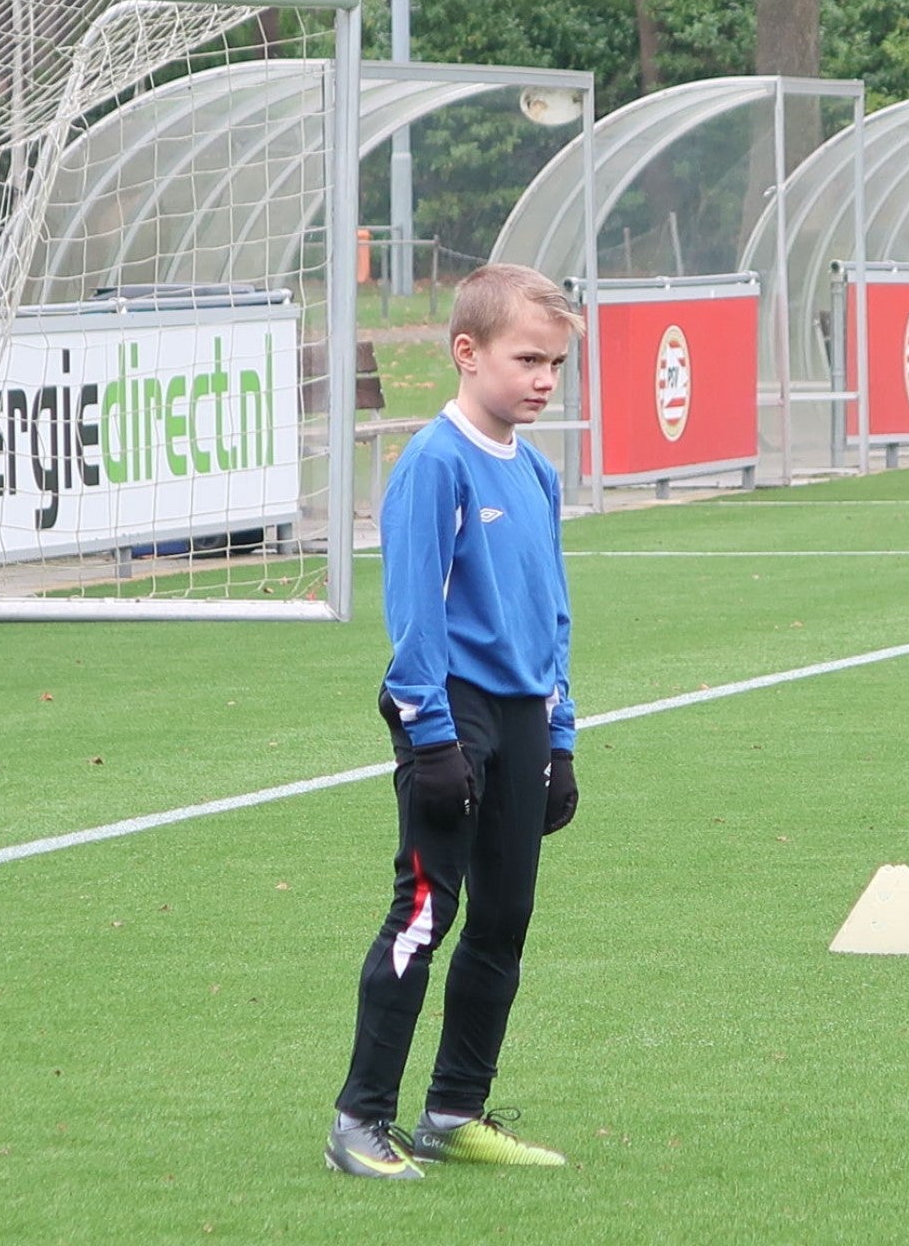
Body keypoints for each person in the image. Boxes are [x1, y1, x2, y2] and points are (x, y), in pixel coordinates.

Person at [325, 263, 584, 1180]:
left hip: (523, 718)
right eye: (527, 359)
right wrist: (431, 737)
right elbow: (415, 616)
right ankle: (360, 1120)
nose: (544, 379)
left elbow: (552, 614)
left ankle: (454, 1110)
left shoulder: (539, 473)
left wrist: (560, 737)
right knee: (425, 913)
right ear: (466, 353)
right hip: (451, 714)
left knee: (504, 918)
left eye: (556, 364)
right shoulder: (434, 465)